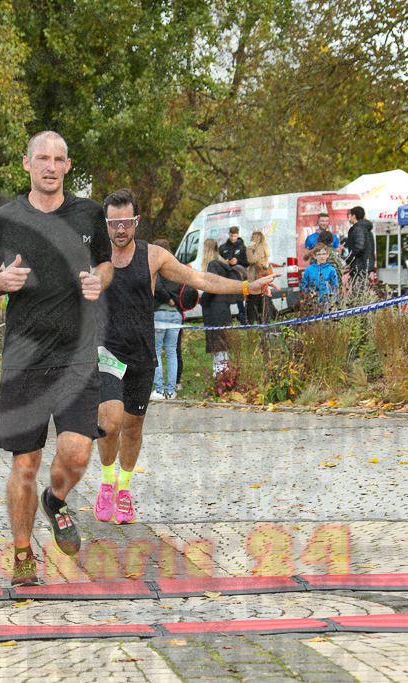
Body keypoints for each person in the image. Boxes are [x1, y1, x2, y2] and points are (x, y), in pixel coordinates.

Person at [0, 131, 113, 586]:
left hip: (76, 356)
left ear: (68, 166)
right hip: (24, 361)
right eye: (42, 158)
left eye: (59, 159)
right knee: (24, 463)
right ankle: (23, 553)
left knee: (76, 451)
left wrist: (99, 281)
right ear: (27, 163)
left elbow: (107, 263)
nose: (50, 165)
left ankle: (56, 500)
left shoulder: (89, 212)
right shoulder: (3, 220)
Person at [93, 189, 275, 530]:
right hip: (108, 351)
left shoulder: (153, 256)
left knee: (132, 428)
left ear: (136, 221)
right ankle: (105, 482)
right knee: (110, 420)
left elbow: (200, 278)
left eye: (126, 222)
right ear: (106, 223)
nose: (120, 229)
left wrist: (248, 287)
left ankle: (124, 489)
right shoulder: (95, 257)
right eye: (114, 222)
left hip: (143, 354)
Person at [200, 239, 237, 375]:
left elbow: (211, 286)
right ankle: (225, 370)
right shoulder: (222, 264)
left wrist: (202, 300)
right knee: (223, 341)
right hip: (224, 305)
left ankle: (219, 372)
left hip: (214, 307)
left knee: (216, 341)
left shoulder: (212, 265)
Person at [151, 238, 180, 401]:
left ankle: (160, 389)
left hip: (160, 312)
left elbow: (158, 287)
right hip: (176, 313)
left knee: (156, 351)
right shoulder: (176, 265)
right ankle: (171, 390)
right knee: (171, 351)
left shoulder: (158, 264)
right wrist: (174, 300)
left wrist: (167, 298)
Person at [219, 226, 248, 322]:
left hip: (240, 277)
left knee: (241, 299)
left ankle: (243, 320)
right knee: (226, 298)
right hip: (228, 276)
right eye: (231, 236)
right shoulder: (223, 247)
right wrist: (225, 262)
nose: (233, 238)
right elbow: (218, 261)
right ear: (229, 234)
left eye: (235, 236)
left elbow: (247, 262)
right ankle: (227, 320)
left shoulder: (242, 247)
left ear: (238, 235)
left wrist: (237, 261)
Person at [246, 231, 274, 325]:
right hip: (259, 277)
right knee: (260, 300)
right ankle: (262, 320)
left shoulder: (259, 248)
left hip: (256, 277)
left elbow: (252, 259)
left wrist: (249, 249)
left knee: (255, 300)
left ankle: (258, 321)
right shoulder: (263, 247)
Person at [344, 206, 375, 286]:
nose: (349, 218)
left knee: (358, 293)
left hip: (359, 267)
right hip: (367, 267)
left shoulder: (358, 229)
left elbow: (359, 246)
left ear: (354, 216)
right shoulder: (367, 229)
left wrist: (349, 259)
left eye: (350, 215)